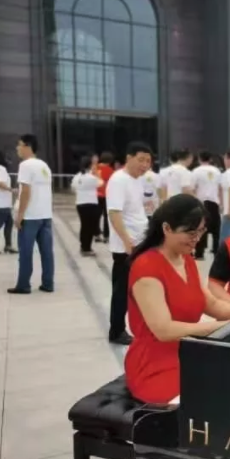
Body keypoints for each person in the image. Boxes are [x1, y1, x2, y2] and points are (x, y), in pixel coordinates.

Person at [124, 194, 230, 404]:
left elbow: (212, 304)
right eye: (190, 232)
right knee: (208, 401)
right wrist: (224, 326)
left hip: (186, 353)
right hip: (154, 364)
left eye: (201, 231)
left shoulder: (186, 259)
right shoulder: (146, 268)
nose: (197, 238)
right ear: (167, 228)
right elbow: (164, 330)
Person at [106, 141, 153, 345]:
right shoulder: (119, 180)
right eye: (141, 160)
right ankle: (116, 331)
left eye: (148, 161)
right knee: (122, 291)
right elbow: (114, 213)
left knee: (136, 288)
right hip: (127, 246)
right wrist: (127, 242)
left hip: (139, 242)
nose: (145, 165)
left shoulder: (137, 180)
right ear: (129, 158)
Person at [8, 134, 54, 294]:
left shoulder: (25, 165)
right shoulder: (44, 165)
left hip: (30, 216)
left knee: (25, 252)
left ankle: (23, 284)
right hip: (45, 215)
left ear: (27, 146)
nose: (17, 148)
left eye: (19, 145)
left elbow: (25, 191)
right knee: (47, 252)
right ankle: (48, 283)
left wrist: (20, 214)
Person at [192, 151, 222, 259]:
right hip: (214, 202)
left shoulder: (196, 171)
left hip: (201, 202)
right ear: (210, 159)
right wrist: (221, 203)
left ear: (199, 159)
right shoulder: (217, 171)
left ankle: (200, 253)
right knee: (216, 229)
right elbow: (220, 188)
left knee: (201, 228)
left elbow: (193, 188)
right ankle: (216, 251)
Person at [71, 156, 103, 256]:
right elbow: (101, 183)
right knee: (90, 226)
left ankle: (83, 246)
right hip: (91, 203)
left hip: (80, 203)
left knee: (84, 225)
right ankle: (86, 247)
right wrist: (97, 175)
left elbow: (73, 187)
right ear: (90, 165)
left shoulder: (77, 176)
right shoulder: (91, 177)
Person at [94, 151, 115, 244]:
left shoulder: (95, 168)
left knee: (96, 216)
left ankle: (96, 234)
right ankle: (106, 235)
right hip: (107, 195)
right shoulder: (110, 170)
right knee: (107, 216)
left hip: (95, 195)